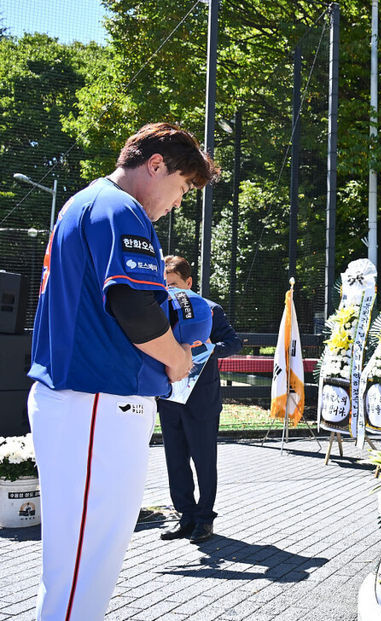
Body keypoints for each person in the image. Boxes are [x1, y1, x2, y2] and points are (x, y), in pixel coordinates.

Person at [27, 123, 218, 620]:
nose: (178, 202)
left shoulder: (87, 203)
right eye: (181, 188)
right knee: (84, 566)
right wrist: (177, 357)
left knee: (77, 563)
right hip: (95, 401)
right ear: (155, 165)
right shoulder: (120, 208)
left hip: (83, 401)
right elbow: (132, 307)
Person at [157, 256, 241, 544]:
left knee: (204, 460)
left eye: (174, 284)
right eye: (163, 284)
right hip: (169, 398)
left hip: (202, 399)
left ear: (189, 283)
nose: (168, 290)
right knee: (174, 460)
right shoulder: (159, 309)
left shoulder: (210, 309)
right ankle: (186, 516)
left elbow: (234, 342)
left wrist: (208, 349)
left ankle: (205, 520)